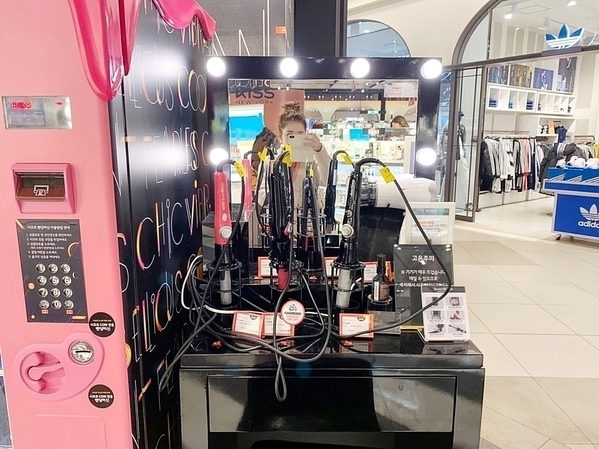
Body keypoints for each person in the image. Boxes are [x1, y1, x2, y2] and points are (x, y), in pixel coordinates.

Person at [257, 101, 331, 208]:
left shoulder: (310, 160)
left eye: (300, 134)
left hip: (306, 217)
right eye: (290, 135)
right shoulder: (270, 161)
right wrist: (297, 199)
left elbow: (326, 180)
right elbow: (261, 195)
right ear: (281, 137)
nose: (295, 139)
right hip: (280, 217)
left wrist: (320, 150)